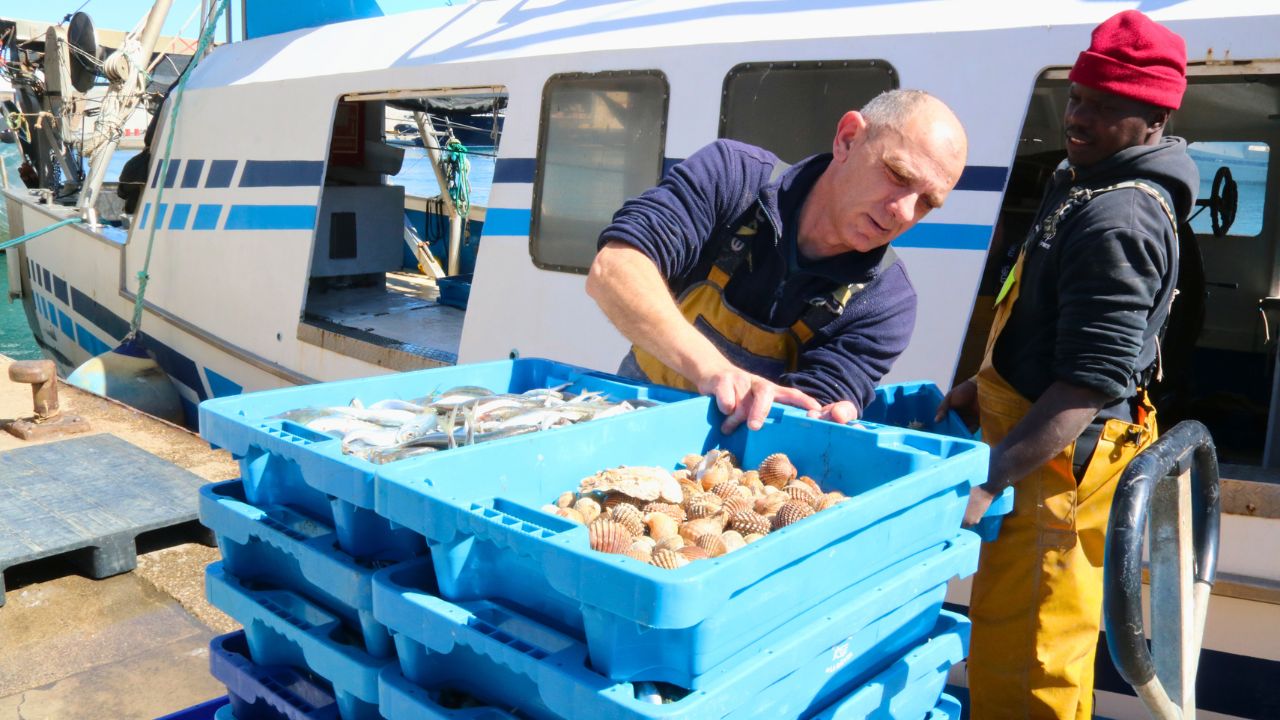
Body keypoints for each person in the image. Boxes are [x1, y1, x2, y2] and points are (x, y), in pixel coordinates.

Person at [937, 11, 1198, 719]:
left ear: (1155, 115)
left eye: (1105, 105)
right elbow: (1047, 323)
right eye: (1077, 96)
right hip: (1031, 445)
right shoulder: (1080, 180)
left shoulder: (1119, 218)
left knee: (1031, 663)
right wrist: (981, 383)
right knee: (1014, 643)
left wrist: (989, 478)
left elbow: (1088, 382)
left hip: (1054, 471)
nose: (1078, 117)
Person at [587, 89, 968, 433]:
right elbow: (615, 268)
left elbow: (806, 411)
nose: (903, 212)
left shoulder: (887, 303)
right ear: (848, 139)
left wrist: (824, 419)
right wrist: (715, 370)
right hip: (630, 417)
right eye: (897, 174)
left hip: (731, 462)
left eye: (927, 203)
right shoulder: (731, 176)